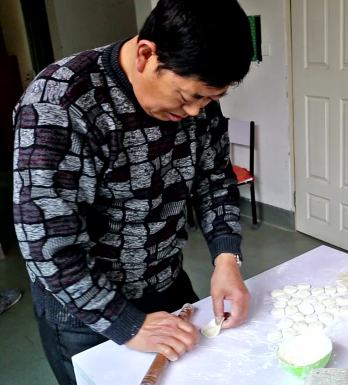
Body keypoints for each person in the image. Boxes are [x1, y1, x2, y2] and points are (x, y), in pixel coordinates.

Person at [12, 1, 253, 384]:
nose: (195, 112)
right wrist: (127, 325)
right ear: (146, 54)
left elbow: (214, 178)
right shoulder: (59, 102)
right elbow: (46, 243)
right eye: (188, 96)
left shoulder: (197, 101)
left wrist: (227, 258)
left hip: (167, 283)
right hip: (85, 310)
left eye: (209, 99)